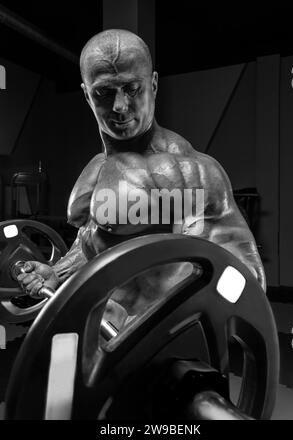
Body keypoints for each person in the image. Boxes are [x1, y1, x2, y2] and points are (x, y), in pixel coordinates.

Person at [17, 29, 265, 330]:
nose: (120, 107)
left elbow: (246, 272)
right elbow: (94, 241)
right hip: (104, 335)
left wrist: (187, 318)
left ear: (154, 85)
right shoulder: (98, 168)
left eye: (132, 89)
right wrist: (58, 272)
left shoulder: (191, 171)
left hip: (163, 341)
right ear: (86, 94)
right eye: (104, 93)